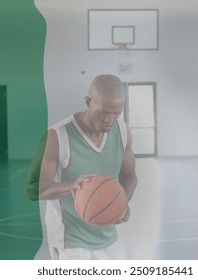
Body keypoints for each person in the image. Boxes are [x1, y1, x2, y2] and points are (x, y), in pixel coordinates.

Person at [26, 74, 138, 260]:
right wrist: (73, 186)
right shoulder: (57, 137)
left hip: (107, 234)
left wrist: (122, 201)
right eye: (103, 112)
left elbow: (129, 175)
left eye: (116, 113)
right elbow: (33, 188)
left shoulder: (123, 132)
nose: (109, 119)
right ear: (88, 101)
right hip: (70, 241)